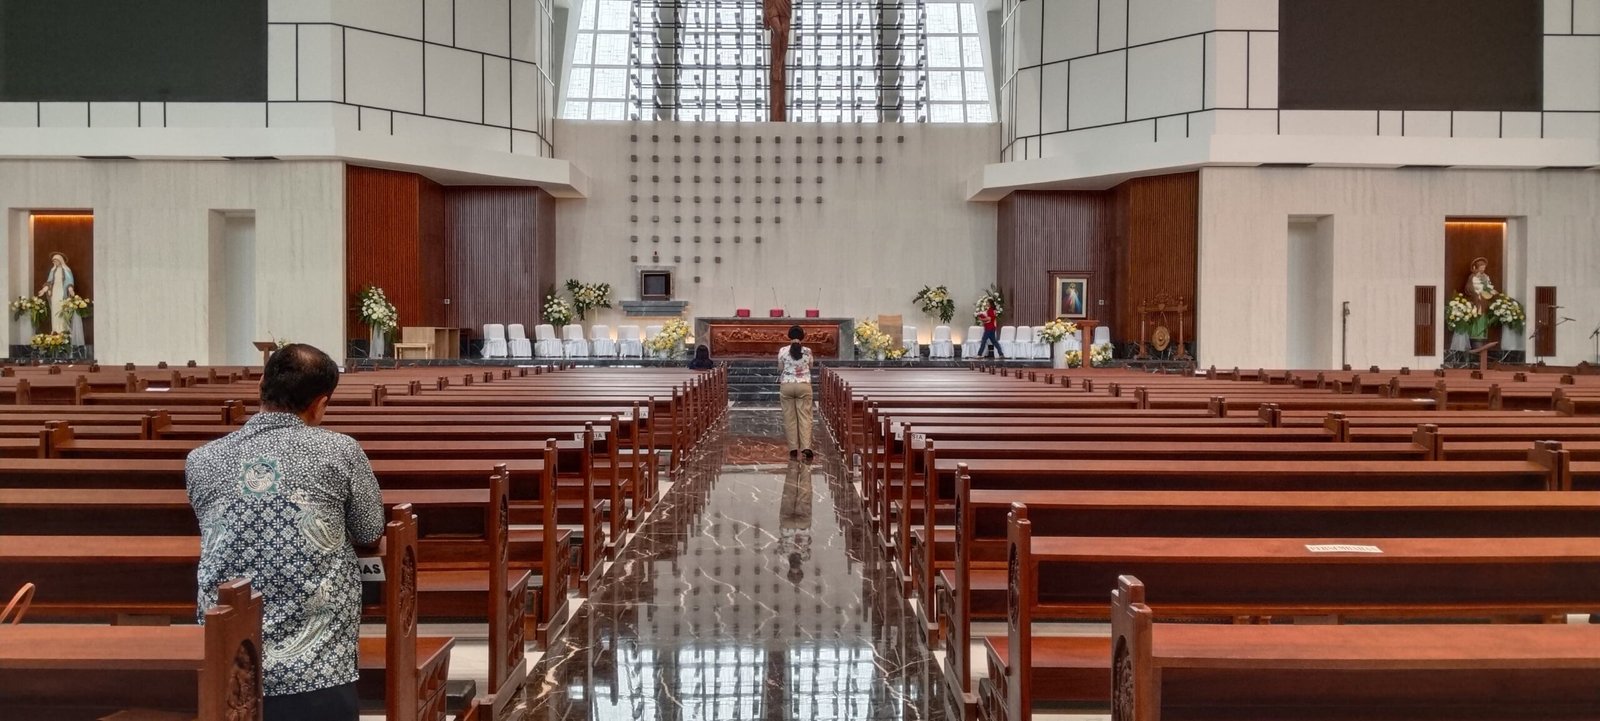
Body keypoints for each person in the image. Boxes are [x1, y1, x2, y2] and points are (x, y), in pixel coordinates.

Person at [186, 344, 384, 721]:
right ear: (321, 403)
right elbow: (369, 530)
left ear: (261, 383)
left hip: (229, 658)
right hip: (318, 665)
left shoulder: (202, 459)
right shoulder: (340, 451)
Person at [778, 325, 814, 461]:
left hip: (787, 385)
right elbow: (810, 366)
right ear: (802, 336)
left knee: (789, 418)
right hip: (804, 385)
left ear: (789, 335)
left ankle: (793, 448)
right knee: (805, 416)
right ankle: (806, 447)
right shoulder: (807, 351)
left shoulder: (782, 350)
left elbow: (780, 367)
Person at [35, 252, 74, 335]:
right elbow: (49, 282)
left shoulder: (66, 270)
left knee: (62, 309)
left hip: (62, 291)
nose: (54, 263)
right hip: (55, 292)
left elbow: (69, 281)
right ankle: (55, 329)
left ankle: (63, 329)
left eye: (55, 261)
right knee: (55, 309)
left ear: (60, 261)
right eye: (53, 261)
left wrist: (70, 289)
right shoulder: (53, 271)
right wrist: (43, 290)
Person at [1464, 257, 1497, 343]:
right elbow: (1469, 288)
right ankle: (1476, 334)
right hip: (1476, 298)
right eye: (1481, 267)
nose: (1483, 269)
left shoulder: (1486, 276)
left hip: (1485, 298)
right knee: (1477, 312)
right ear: (1477, 267)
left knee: (1485, 313)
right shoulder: (1473, 277)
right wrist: (1478, 292)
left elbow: (1489, 286)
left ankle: (1482, 333)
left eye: (1484, 267)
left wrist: (1491, 290)